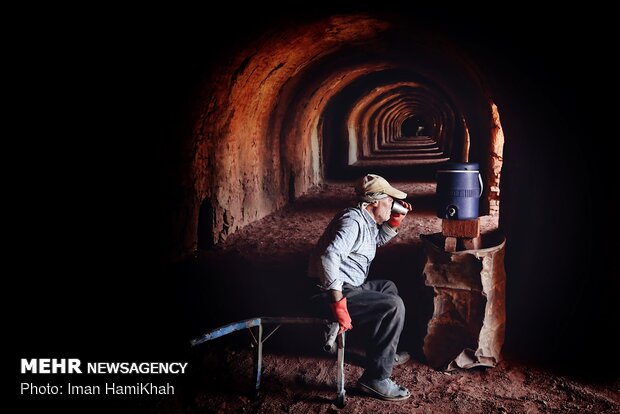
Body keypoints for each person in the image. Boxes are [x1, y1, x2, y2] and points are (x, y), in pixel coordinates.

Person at [308, 174, 413, 401]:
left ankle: (382, 355)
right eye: (390, 200)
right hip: (327, 293)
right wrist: (337, 303)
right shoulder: (352, 221)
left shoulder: (367, 221)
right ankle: (375, 378)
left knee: (388, 288)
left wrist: (393, 222)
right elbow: (329, 256)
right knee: (393, 306)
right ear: (374, 201)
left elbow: (371, 243)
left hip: (351, 286)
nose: (392, 203)